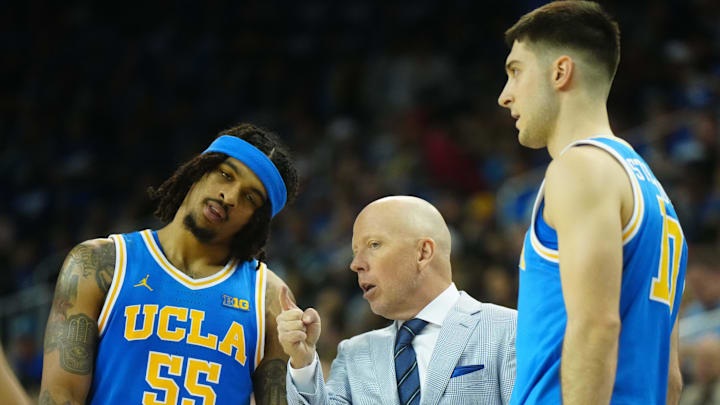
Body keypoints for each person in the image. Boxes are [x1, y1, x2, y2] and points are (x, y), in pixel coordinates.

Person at [497, 2, 687, 404]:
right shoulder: (654, 191)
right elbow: (670, 379)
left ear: (560, 72)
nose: (505, 96)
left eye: (515, 72)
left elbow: (596, 327)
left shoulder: (579, 169)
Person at [40, 123, 299, 404]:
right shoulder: (101, 264)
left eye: (250, 197)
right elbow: (60, 395)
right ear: (199, 169)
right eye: (225, 175)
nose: (230, 196)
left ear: (257, 220)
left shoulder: (271, 299)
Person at [277, 196, 517, 405]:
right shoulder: (354, 353)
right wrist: (304, 361)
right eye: (354, 252)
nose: (355, 264)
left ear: (423, 253)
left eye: (374, 245)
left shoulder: (508, 330)